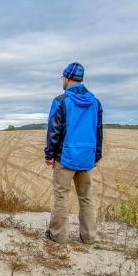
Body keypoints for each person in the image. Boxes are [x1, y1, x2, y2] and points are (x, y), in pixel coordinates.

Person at [44, 62, 103, 244]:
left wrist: (49, 154)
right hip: (86, 158)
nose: (62, 80)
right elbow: (98, 131)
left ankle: (58, 236)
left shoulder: (61, 101)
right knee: (86, 197)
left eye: (63, 77)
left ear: (67, 78)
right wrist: (96, 155)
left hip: (65, 157)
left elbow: (54, 130)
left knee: (61, 196)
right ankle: (89, 236)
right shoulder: (95, 102)